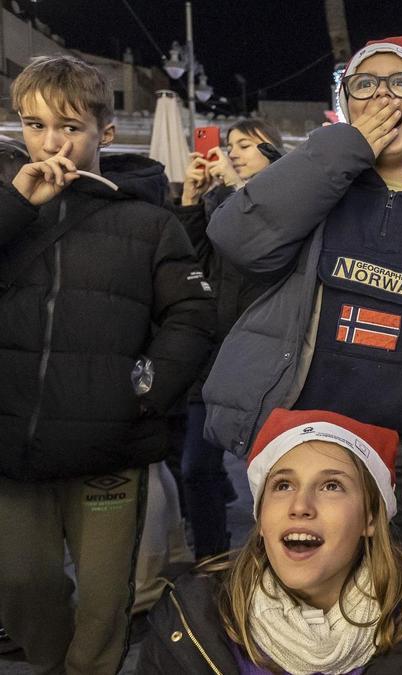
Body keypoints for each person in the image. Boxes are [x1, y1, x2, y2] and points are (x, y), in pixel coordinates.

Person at [203, 36, 402, 570]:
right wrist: (342, 150)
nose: (384, 99)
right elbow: (237, 239)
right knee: (308, 602)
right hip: (316, 442)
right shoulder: (316, 189)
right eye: (364, 86)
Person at [0, 55, 213, 674]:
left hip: (110, 449)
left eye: (68, 126)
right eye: (35, 126)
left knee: (103, 604)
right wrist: (18, 206)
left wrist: (145, 390)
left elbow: (194, 315)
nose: (51, 142)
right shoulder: (10, 210)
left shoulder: (148, 222)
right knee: (20, 584)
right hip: (15, 443)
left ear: (105, 132)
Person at [137, 408, 402, 673]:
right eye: (283, 485)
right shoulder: (190, 624)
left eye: (331, 486)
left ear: (370, 517)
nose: (301, 506)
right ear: (261, 519)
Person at [174, 119, 284, 559]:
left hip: (259, 358)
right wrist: (189, 198)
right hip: (212, 356)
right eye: (229, 145)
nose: (233, 152)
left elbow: (251, 248)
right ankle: (211, 557)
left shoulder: (283, 197)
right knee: (196, 467)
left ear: (270, 148)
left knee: (266, 470)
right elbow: (192, 260)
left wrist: (223, 192)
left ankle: (270, 558)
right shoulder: (224, 198)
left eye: (245, 144)